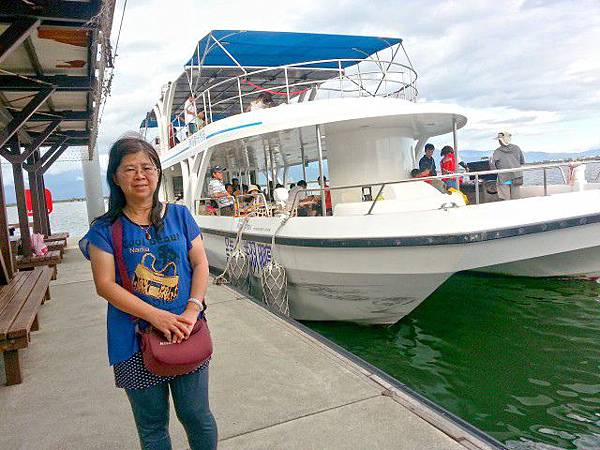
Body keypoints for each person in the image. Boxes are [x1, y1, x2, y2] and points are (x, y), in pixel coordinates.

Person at [78, 137, 218, 450]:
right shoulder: (105, 228)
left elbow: (200, 263)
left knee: (197, 415)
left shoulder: (180, 215)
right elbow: (105, 285)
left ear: (157, 172)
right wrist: (155, 315)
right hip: (132, 338)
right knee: (153, 427)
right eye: (130, 169)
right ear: (115, 177)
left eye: (147, 167)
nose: (140, 175)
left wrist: (192, 309)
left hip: (185, 331)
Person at [491, 131, 525, 200]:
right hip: (516, 177)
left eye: (499, 140)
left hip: (504, 178)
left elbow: (492, 164)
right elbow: (522, 161)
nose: (499, 142)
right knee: (516, 198)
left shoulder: (497, 151)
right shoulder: (517, 148)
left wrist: (496, 170)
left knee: (505, 199)